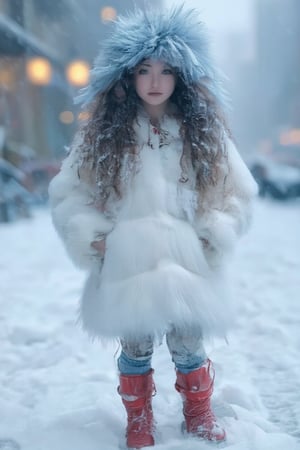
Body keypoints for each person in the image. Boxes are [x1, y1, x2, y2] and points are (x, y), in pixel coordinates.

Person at [48, 5, 257, 449]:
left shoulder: (204, 132)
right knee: (136, 346)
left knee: (188, 344)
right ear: (128, 76)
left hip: (188, 265)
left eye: (166, 70)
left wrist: (213, 235)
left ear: (182, 74)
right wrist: (92, 237)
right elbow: (68, 192)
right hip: (129, 263)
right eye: (145, 69)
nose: (156, 81)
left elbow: (238, 193)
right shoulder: (102, 135)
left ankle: (198, 413)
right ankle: (137, 420)